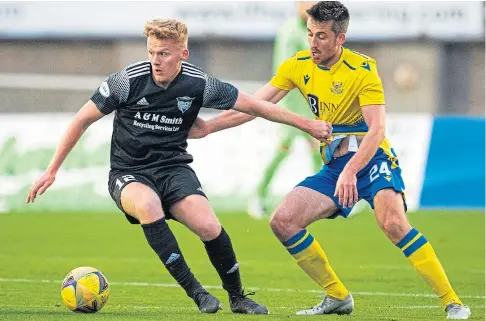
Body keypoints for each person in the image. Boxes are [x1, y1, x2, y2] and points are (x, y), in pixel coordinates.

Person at [26, 19, 332, 315]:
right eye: (151, 53)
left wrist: (307, 124)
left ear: (182, 54)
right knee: (148, 205)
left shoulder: (199, 84)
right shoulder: (126, 81)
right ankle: (197, 292)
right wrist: (52, 170)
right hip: (129, 173)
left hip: (173, 169)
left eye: (163, 54)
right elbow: (81, 119)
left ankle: (239, 298)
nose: (155, 61)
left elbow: (256, 106)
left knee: (210, 227)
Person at [188, 2, 471, 319]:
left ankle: (453, 302)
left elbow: (377, 130)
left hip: (372, 158)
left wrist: (352, 170)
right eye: (309, 33)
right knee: (282, 221)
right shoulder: (297, 65)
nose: (312, 42)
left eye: (321, 36)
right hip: (336, 164)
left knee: (392, 223)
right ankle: (337, 296)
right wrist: (210, 127)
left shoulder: (362, 70)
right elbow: (254, 105)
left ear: (341, 39)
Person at [247, 1, 322, 220]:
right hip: (291, 102)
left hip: (310, 101)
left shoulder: (315, 30)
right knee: (284, 148)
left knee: (318, 148)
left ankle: (326, 197)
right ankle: (258, 196)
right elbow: (287, 70)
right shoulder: (290, 31)